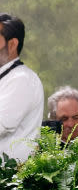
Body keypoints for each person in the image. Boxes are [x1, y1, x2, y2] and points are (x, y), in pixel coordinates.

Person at [0, 13, 43, 163]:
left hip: (9, 180)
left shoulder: (22, 79)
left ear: (12, 44)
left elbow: (1, 124)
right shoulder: (7, 77)